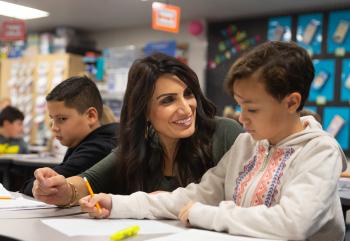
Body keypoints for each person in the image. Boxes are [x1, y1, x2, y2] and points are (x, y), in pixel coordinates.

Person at [80, 41, 347, 241]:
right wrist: (117, 204)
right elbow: (194, 195)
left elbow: (293, 223)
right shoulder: (246, 145)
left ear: (291, 102)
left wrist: (206, 215)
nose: (241, 118)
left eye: (252, 109)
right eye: (240, 106)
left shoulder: (320, 151)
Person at [32, 53, 243, 207]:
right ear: (145, 111)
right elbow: (88, 181)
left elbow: (243, 205)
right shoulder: (142, 143)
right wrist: (59, 190)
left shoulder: (224, 133)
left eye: (188, 94)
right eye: (168, 100)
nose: (186, 108)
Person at [20, 76, 118, 196]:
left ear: (91, 116)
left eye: (62, 119)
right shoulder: (83, 142)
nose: (54, 127)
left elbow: (41, 187)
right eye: (52, 119)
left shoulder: (98, 148)